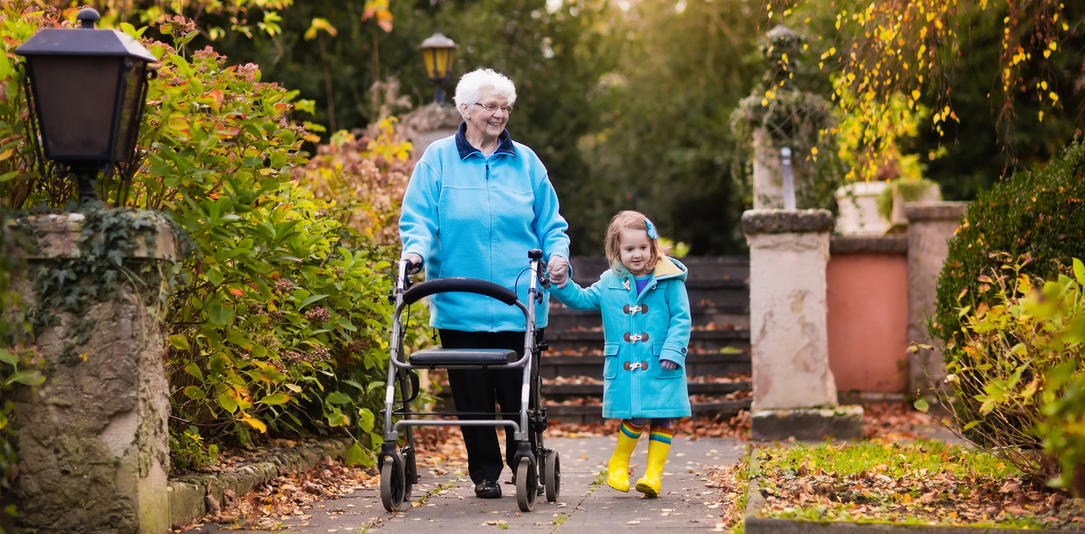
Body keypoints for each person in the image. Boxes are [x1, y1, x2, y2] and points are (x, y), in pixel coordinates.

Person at [398, 67, 571, 500]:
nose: (499, 115)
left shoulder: (527, 162)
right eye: (491, 106)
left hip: (520, 300)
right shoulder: (437, 159)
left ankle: (523, 460)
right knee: (472, 397)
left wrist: (559, 256)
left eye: (505, 107)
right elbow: (418, 218)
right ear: (465, 109)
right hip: (459, 300)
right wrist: (415, 252)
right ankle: (485, 473)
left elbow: (551, 225)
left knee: (517, 392)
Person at [547, 210, 691, 497]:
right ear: (617, 250)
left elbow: (681, 318)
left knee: (663, 415)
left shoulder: (670, 279)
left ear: (653, 247)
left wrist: (674, 350)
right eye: (629, 249)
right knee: (636, 414)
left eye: (642, 248)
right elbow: (582, 298)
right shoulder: (609, 282)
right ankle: (619, 461)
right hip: (627, 362)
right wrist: (560, 283)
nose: (637, 254)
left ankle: (653, 474)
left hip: (661, 360)